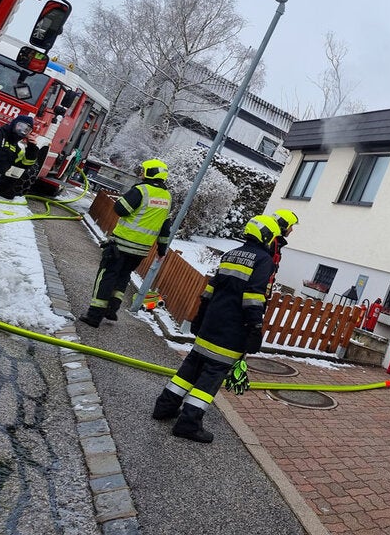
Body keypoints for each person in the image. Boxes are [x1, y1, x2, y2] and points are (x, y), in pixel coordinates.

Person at [151, 214, 281, 443]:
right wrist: (254, 327)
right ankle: (188, 423)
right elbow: (253, 295)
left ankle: (164, 407)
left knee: (190, 367)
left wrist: (200, 316)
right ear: (268, 236)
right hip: (232, 329)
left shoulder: (231, 254)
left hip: (211, 321)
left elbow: (211, 287)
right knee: (211, 377)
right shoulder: (263, 260)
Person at [78, 159, 172, 327]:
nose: (141, 174)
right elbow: (166, 228)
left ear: (150, 172)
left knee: (106, 275)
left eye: (143, 170)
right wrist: (162, 250)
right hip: (141, 251)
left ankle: (94, 316)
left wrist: (126, 196)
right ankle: (112, 310)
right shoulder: (167, 197)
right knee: (122, 276)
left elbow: (121, 210)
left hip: (121, 244)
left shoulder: (141, 190)